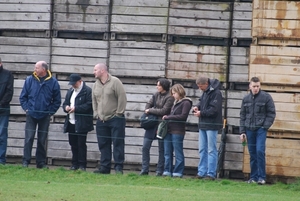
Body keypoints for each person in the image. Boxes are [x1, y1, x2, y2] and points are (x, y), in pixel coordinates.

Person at [20, 61, 61, 168]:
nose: (35, 69)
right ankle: (26, 161)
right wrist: (27, 109)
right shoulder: (29, 80)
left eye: (36, 68)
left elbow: (57, 100)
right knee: (29, 138)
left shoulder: (53, 82)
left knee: (42, 140)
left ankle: (41, 162)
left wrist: (49, 112)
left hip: (44, 116)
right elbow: (23, 97)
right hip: (31, 115)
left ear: (43, 70)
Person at [239, 77, 276, 185]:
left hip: (260, 129)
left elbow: (271, 113)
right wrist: (242, 131)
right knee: (252, 153)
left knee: (260, 151)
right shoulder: (246, 99)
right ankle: (253, 177)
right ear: (250, 86)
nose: (256, 88)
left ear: (260, 86)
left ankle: (262, 177)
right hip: (249, 129)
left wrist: (265, 126)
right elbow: (242, 115)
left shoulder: (266, 97)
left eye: (258, 86)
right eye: (254, 86)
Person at [92, 63, 127, 174]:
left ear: (102, 71)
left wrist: (119, 113)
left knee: (117, 143)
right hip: (101, 120)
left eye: (95, 70)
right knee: (103, 144)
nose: (94, 72)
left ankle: (118, 167)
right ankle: (105, 167)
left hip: (115, 119)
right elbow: (94, 100)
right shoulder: (95, 85)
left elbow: (122, 97)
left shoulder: (115, 82)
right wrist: (96, 113)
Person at [140, 78, 174, 176]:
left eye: (158, 85)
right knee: (145, 147)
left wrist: (151, 110)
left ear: (164, 86)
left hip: (162, 126)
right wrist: (150, 109)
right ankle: (144, 169)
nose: (157, 86)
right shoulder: (155, 95)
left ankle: (159, 170)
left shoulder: (170, 97)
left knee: (161, 149)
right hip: (151, 124)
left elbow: (164, 111)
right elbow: (147, 106)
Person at [193, 75, 222, 180]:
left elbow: (214, 110)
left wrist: (201, 113)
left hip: (212, 125)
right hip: (203, 125)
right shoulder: (205, 92)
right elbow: (202, 102)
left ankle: (211, 173)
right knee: (202, 149)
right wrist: (197, 106)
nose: (200, 89)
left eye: (201, 87)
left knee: (211, 150)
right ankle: (201, 172)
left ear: (206, 84)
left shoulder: (216, 93)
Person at [63, 74, 93, 171]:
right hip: (71, 121)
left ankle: (82, 165)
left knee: (81, 144)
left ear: (80, 81)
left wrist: (76, 109)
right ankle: (74, 163)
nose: (73, 86)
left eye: (74, 83)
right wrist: (66, 107)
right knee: (73, 143)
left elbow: (89, 105)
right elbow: (65, 103)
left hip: (82, 122)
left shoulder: (87, 91)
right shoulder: (70, 91)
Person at [162, 84, 192, 178]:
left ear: (179, 92)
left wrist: (168, 117)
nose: (173, 95)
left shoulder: (186, 103)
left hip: (178, 131)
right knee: (167, 152)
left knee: (178, 152)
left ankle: (178, 172)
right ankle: (167, 171)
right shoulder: (175, 102)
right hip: (169, 130)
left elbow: (183, 116)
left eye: (174, 93)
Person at [0, 57, 14, 165]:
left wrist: (1, 104)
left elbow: (9, 92)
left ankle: (1, 160)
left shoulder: (7, 74)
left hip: (3, 110)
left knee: (2, 135)